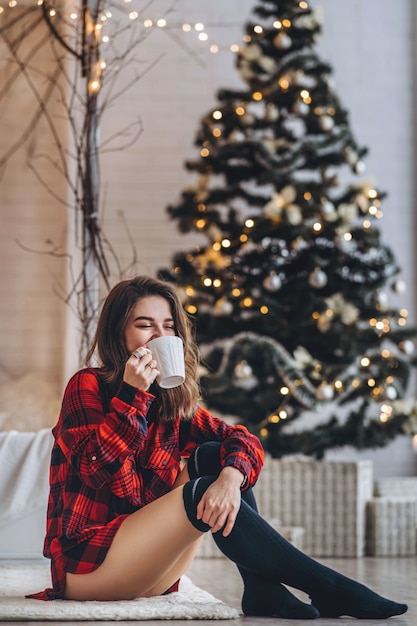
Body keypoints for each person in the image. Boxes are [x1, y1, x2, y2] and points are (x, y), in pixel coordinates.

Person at [30, 275, 408, 620]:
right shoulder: (87, 385)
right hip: (89, 569)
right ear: (119, 334)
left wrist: (230, 476)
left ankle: (261, 589)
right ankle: (333, 588)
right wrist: (132, 396)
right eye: (144, 326)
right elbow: (96, 470)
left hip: (152, 567)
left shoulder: (171, 402)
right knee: (197, 493)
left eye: (168, 327)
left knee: (213, 455)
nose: (158, 336)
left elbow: (243, 439)